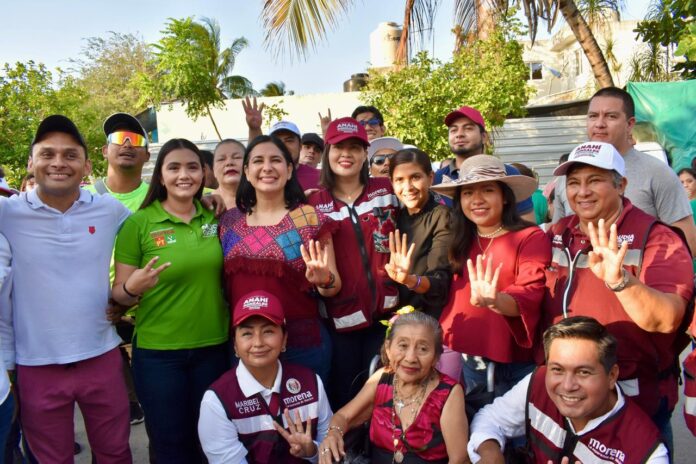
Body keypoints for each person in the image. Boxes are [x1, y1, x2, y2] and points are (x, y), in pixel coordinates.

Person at [543, 141, 693, 450]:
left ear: (621, 185)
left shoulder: (657, 237)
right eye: (574, 183)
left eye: (594, 180)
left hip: (634, 397)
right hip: (568, 396)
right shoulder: (558, 233)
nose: (582, 192)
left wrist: (620, 281)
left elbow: (666, 319)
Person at [0, 115, 132, 463]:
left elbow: (153, 226)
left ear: (86, 165)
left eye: (70, 155)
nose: (59, 163)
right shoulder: (7, 212)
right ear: (31, 162)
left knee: (115, 453)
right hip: (35, 363)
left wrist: (210, 201)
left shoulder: (107, 209)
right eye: (47, 154)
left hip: (101, 355)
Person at [111, 138, 230, 464]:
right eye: (173, 167)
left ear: (203, 174)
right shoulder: (138, 224)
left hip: (213, 348)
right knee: (169, 446)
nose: (184, 175)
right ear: (160, 176)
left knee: (210, 441)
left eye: (192, 167)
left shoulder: (214, 216)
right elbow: (118, 294)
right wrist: (133, 287)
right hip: (160, 356)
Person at [431, 155, 550, 412]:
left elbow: (531, 292)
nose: (477, 200)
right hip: (469, 356)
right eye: (468, 193)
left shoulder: (530, 237)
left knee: (518, 432)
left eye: (487, 190)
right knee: (478, 425)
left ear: (505, 196)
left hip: (517, 359)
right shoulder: (460, 238)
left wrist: (496, 300)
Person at [218, 135, 341, 385]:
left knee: (307, 422)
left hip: (302, 346)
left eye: (276, 160)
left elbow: (333, 285)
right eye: (258, 161)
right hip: (247, 346)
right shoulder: (228, 222)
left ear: (288, 170)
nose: (267, 167)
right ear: (247, 171)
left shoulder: (309, 219)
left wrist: (323, 279)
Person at [468, 316, 669, 463]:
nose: (567, 385)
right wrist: (490, 453)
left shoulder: (646, 453)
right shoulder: (538, 382)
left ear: (612, 376)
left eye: (583, 372)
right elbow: (490, 418)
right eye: (557, 369)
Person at [307, 117, 400, 409]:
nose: (346, 154)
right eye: (338, 147)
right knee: (347, 393)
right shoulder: (313, 204)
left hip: (391, 316)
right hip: (342, 322)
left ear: (365, 154)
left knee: (386, 394)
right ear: (327, 152)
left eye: (355, 147)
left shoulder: (387, 190)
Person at [552, 87, 696, 257]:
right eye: (593, 116)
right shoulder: (567, 176)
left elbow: (687, 243)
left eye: (611, 116)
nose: (599, 124)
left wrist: (634, 274)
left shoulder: (658, 173)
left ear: (630, 124)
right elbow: (557, 238)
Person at [317, 309, 469, 464]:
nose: (410, 358)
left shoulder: (448, 392)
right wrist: (333, 434)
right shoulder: (383, 378)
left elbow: (460, 459)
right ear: (388, 349)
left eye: (423, 349)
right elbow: (343, 417)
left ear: (436, 357)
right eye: (403, 345)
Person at [199, 290, 332, 463]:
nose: (258, 343)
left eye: (268, 331)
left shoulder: (311, 382)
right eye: (247, 333)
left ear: (284, 339)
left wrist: (312, 452)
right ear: (235, 346)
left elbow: (329, 446)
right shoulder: (216, 401)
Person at [433, 105, 536, 222]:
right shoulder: (437, 179)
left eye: (468, 128)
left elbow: (527, 224)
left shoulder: (508, 174)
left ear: (484, 137)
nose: (459, 134)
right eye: (453, 130)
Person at [386, 148, 451, 318]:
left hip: (429, 319)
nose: (408, 187)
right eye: (399, 180)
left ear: (430, 178)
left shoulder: (443, 216)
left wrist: (409, 280)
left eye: (415, 177)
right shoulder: (395, 216)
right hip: (397, 317)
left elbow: (440, 282)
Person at [242, 97, 321, 190]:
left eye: (289, 140)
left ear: (300, 146)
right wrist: (254, 129)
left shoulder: (320, 178)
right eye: (277, 140)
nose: (283, 145)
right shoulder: (262, 178)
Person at [211, 138, 245, 209]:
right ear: (213, 170)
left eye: (237, 157)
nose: (229, 163)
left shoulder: (264, 200)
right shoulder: (203, 204)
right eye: (221, 159)